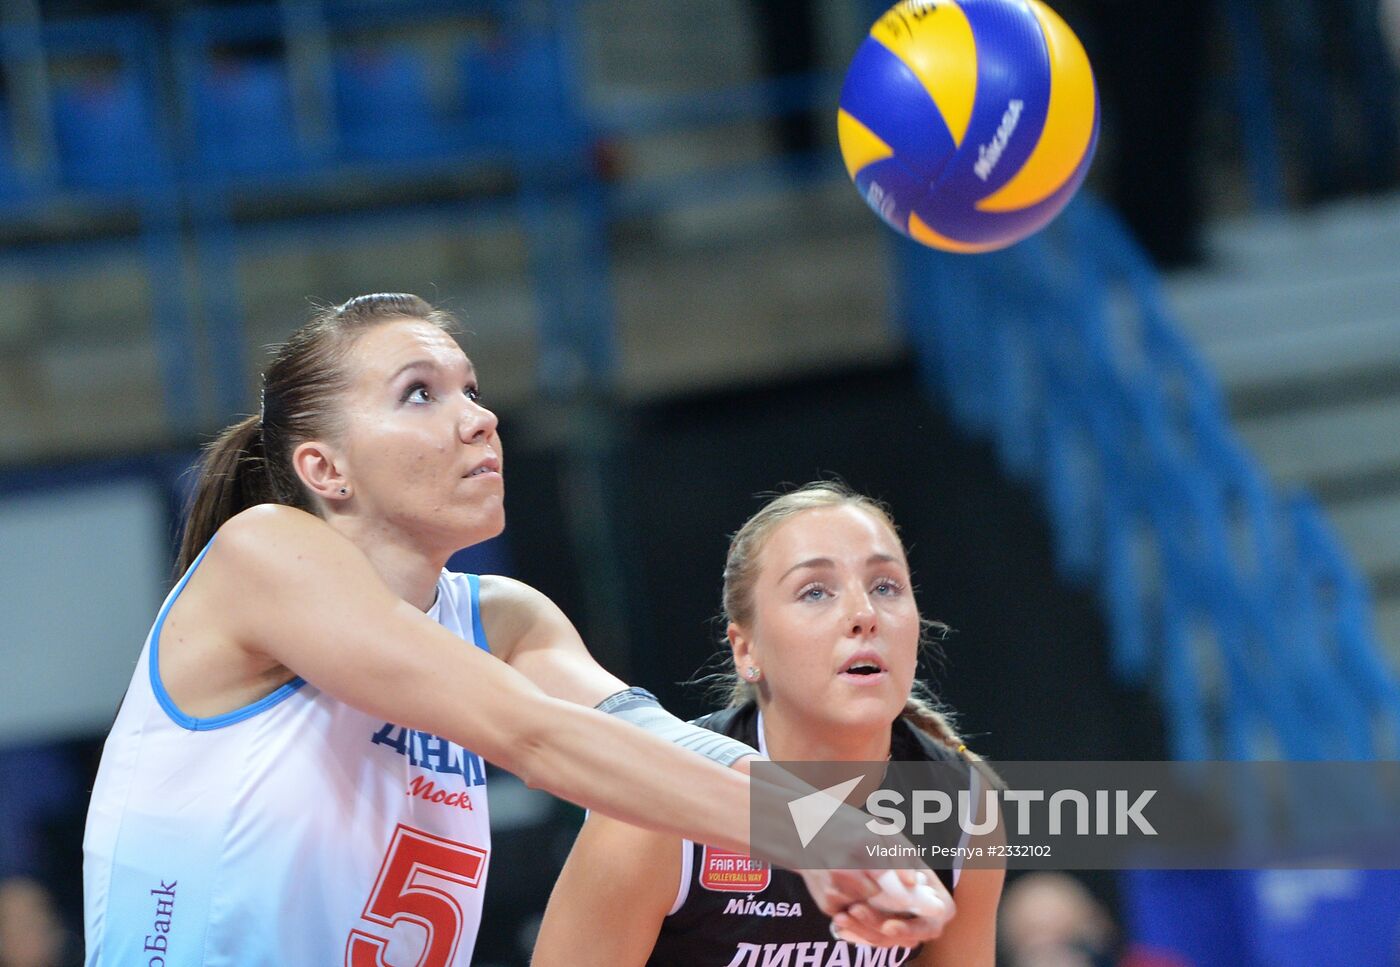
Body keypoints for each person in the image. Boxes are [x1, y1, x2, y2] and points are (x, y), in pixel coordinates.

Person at [80, 295, 947, 965]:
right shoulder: (261, 553)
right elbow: (532, 732)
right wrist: (811, 834)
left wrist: (841, 827)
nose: (477, 417)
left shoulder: (505, 616)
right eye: (419, 393)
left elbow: (661, 742)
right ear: (324, 467)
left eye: (472, 389)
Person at [532, 481, 1005, 966]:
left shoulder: (966, 806)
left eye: (885, 586)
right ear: (746, 650)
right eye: (815, 591)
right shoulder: (656, 807)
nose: (864, 614)